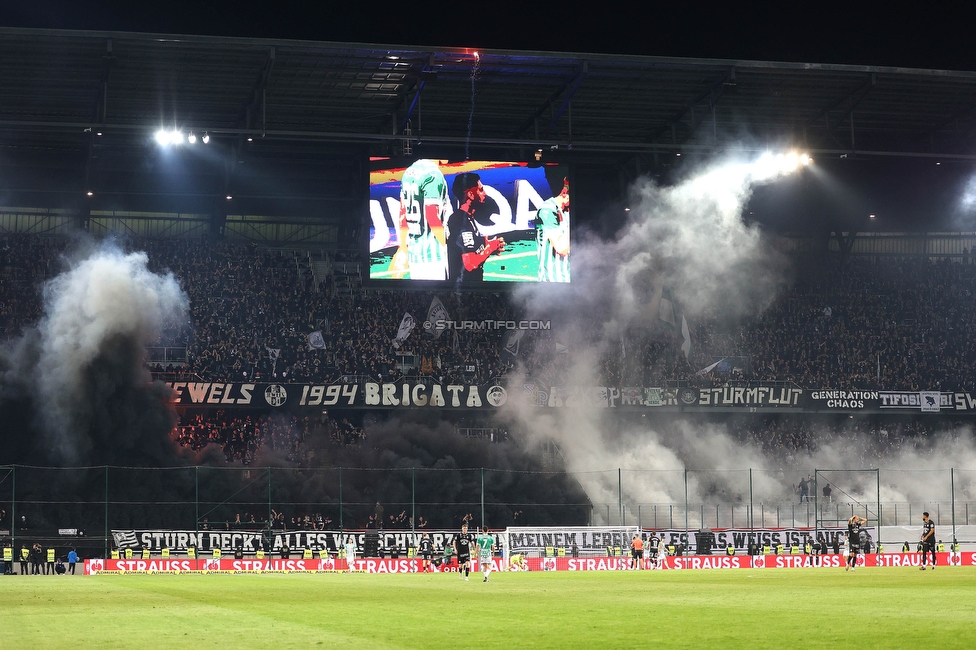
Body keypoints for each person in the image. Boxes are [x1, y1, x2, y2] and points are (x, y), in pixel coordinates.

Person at [389, 159, 451, 280]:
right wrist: (448, 246)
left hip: (414, 255)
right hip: (434, 255)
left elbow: (402, 212)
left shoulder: (408, 172)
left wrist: (402, 247)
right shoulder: (433, 174)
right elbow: (432, 216)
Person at [450, 173, 505, 284]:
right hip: (464, 289)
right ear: (470, 194)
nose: (484, 193)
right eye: (480, 190)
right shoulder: (461, 221)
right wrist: (490, 248)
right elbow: (470, 264)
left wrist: (488, 245)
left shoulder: (467, 218)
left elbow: (469, 250)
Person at [535, 177, 571, 282]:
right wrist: (571, 225)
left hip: (568, 279)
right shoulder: (547, 211)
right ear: (565, 192)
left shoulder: (567, 210)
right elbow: (561, 249)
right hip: (552, 282)